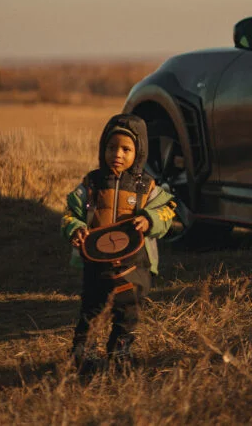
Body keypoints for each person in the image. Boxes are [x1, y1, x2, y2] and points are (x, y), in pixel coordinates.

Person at [61, 114, 177, 368]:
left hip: (135, 264)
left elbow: (168, 211)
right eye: (112, 147)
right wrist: (76, 227)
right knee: (92, 306)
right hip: (96, 263)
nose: (118, 154)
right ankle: (84, 352)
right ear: (103, 148)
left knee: (129, 309)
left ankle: (120, 350)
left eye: (126, 149)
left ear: (140, 152)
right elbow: (70, 213)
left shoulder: (146, 188)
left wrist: (149, 218)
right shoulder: (91, 184)